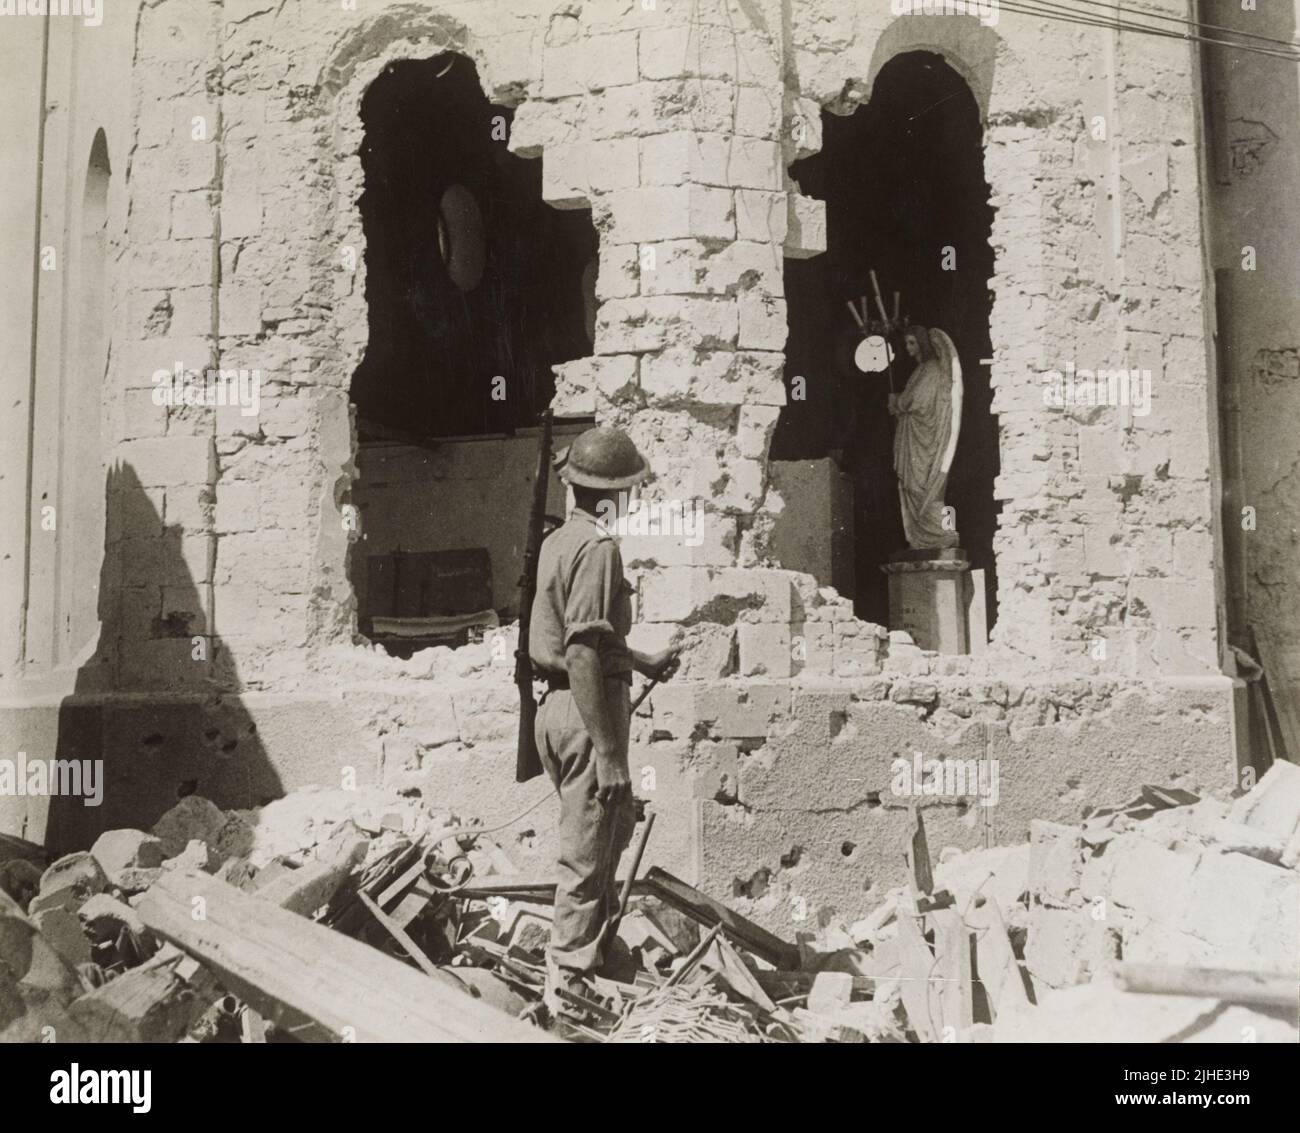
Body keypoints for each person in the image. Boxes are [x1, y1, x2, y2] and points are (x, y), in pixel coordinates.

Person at [527, 425, 679, 1016]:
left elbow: (576, 638)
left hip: (562, 706)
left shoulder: (560, 541)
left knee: (605, 838)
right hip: (585, 713)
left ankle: (594, 960)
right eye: (632, 489)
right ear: (615, 495)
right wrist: (610, 754)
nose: (636, 499)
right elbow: (583, 650)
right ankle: (568, 989)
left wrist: (640, 659)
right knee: (587, 857)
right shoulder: (599, 549)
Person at [888, 325, 963, 550]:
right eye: (906, 344)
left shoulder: (931, 370)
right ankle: (921, 538)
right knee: (912, 487)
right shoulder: (920, 370)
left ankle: (941, 533)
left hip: (924, 440)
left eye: (912, 343)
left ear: (923, 344)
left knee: (920, 486)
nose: (909, 349)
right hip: (913, 436)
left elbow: (920, 402)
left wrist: (898, 403)